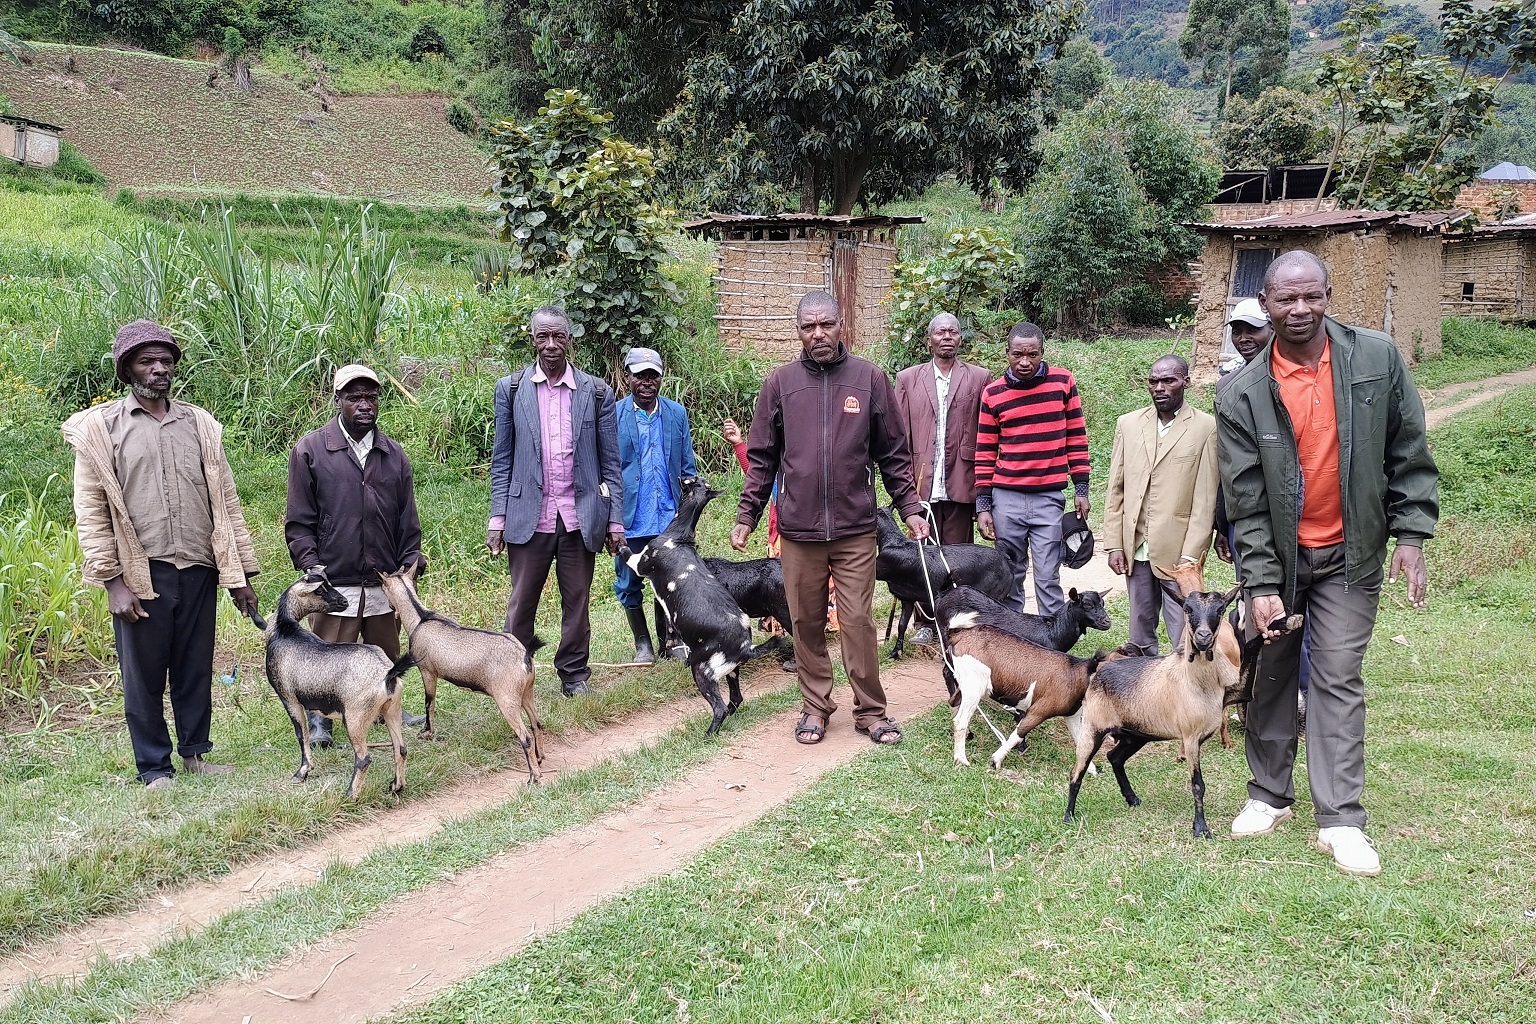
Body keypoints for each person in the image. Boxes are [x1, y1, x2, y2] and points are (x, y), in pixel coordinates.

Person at [1218, 250, 1439, 877]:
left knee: (1336, 675)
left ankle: (1340, 818)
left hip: (1351, 554)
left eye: (1310, 296)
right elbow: (1247, 499)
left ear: (1328, 295)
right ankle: (1268, 795)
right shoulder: (1241, 392)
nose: (1298, 309)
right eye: (1285, 299)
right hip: (1281, 563)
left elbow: (1408, 449)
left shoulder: (1374, 358)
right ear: (1265, 306)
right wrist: (1260, 581)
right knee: (1273, 673)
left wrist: (1411, 535)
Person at [62, 320, 260, 789]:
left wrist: (241, 573)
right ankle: (154, 767)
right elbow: (91, 510)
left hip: (197, 567)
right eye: (147, 362)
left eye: (166, 362)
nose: (158, 370)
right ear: (127, 368)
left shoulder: (200, 425)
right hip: (141, 572)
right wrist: (112, 581)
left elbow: (226, 501)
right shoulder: (102, 428)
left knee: (195, 668)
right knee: (144, 676)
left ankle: (195, 754)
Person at [731, 291, 928, 746]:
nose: (817, 334)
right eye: (808, 326)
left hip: (856, 529)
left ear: (843, 325)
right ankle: (816, 707)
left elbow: (893, 455)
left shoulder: (869, 379)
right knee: (805, 621)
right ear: (797, 330)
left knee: (858, 620)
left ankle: (871, 712)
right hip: (798, 531)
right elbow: (761, 458)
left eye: (826, 324)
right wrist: (747, 515)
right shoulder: (779, 384)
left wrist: (910, 509)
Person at [285, 363, 426, 747]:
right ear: (338, 401)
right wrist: (311, 565)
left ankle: (386, 707)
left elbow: (406, 518)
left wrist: (409, 564)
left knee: (385, 652)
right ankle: (321, 722)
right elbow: (299, 520)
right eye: (354, 397)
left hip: (382, 576)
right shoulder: (312, 450)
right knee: (327, 656)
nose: (364, 404)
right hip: (335, 578)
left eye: (370, 397)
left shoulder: (392, 454)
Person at [487, 306, 624, 697]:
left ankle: (574, 674)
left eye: (558, 336)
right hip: (527, 515)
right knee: (521, 602)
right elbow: (502, 461)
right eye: (542, 337)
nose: (551, 345)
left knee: (577, 602)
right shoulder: (511, 389)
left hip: (580, 517)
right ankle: (513, 673)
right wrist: (497, 519)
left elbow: (610, 464)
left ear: (569, 339)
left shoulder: (596, 391)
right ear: (532, 339)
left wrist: (615, 522)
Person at [1103, 354, 1218, 656]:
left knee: (1184, 631)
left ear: (1186, 382)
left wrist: (1191, 555)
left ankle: (1185, 694)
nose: (1160, 387)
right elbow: (1116, 489)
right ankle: (1143, 693)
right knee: (1139, 627)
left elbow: (1206, 499)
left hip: (1178, 550)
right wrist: (1115, 544)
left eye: (1169, 380)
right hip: (1136, 546)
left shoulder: (1205, 428)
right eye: (1154, 381)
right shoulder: (1127, 424)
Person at [975, 323, 1092, 618]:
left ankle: (1052, 638)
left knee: (1048, 575)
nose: (1025, 362)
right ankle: (1015, 637)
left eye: (1032, 354)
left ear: (1042, 352)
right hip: (1007, 499)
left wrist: (1081, 488)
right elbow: (985, 451)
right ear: (1007, 353)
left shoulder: (1062, 383)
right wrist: (983, 505)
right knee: (1010, 574)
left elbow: (1076, 438)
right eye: (1017, 354)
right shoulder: (993, 394)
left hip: (1049, 498)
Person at [894, 311, 993, 641]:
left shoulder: (980, 378)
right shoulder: (908, 378)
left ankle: (954, 622)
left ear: (960, 338)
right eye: (940, 332)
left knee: (958, 555)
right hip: (920, 480)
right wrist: (902, 480)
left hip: (961, 478)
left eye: (953, 331)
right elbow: (898, 434)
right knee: (922, 558)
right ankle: (924, 623)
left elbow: (987, 430)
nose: (947, 336)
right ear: (930, 340)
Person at [614, 347, 697, 664]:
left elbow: (687, 468)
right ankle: (643, 645)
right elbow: (607, 469)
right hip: (631, 517)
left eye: (653, 376)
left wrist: (688, 514)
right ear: (628, 377)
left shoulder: (676, 414)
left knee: (669, 580)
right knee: (629, 580)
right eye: (640, 376)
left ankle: (670, 640)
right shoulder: (614, 414)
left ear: (661, 378)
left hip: (667, 517)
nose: (647, 382)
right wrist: (612, 521)